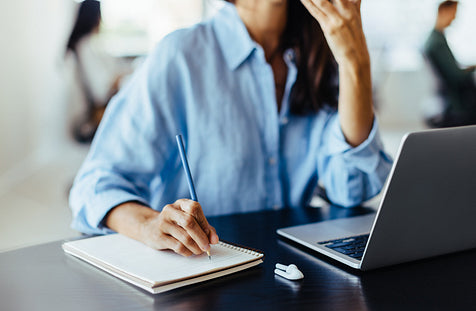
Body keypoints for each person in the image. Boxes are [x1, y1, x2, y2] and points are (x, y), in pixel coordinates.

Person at [69, 0, 393, 257]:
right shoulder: (181, 56)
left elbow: (354, 189)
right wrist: (150, 224)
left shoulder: (323, 56)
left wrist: (355, 63)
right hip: (201, 275)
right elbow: (95, 185)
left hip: (293, 274)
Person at [66, 0, 132, 142]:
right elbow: (100, 92)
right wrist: (119, 77)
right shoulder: (85, 47)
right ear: (95, 17)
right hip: (92, 118)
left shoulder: (89, 45)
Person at [423, 0, 476, 127]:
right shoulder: (437, 43)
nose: (454, 18)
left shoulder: (436, 38)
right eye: (453, 13)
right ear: (444, 12)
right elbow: (456, 76)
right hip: (456, 102)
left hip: (448, 96)